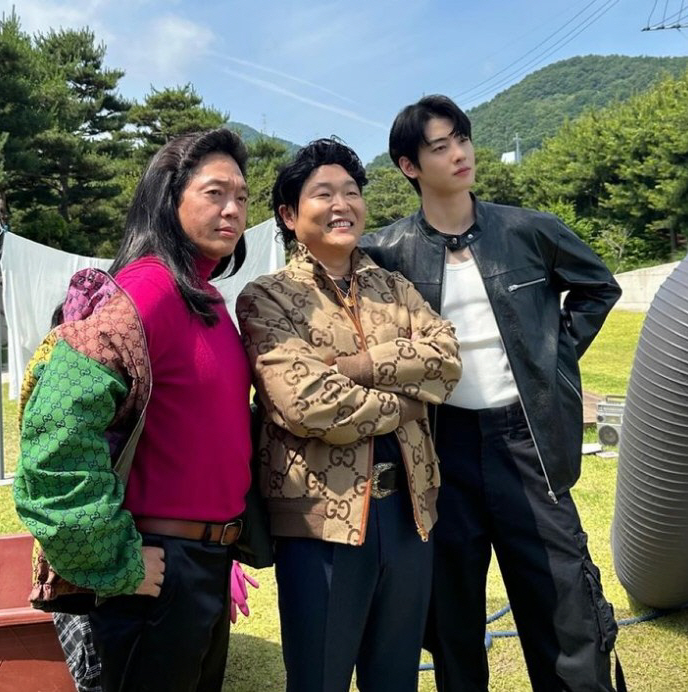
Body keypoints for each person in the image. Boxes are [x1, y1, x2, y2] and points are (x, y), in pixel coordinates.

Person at [359, 95, 624, 692]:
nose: (460, 154)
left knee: (561, 600)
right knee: (451, 612)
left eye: (463, 138)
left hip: (525, 441)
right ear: (408, 166)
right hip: (441, 445)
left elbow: (597, 287)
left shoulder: (530, 229)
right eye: (440, 146)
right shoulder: (387, 251)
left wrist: (550, 362)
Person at [15, 128, 255, 692]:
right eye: (215, 192)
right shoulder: (142, 293)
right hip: (156, 571)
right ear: (169, 198)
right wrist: (119, 561)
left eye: (242, 197)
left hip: (208, 563)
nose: (233, 209)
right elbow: (54, 436)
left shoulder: (207, 299)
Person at [235, 138, 461, 692]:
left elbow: (446, 359)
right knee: (320, 679)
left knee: (396, 678)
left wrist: (355, 366)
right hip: (320, 522)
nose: (343, 204)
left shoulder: (392, 285)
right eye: (324, 193)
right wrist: (408, 402)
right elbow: (307, 403)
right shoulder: (267, 298)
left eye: (352, 191)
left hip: (409, 515)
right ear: (289, 215)